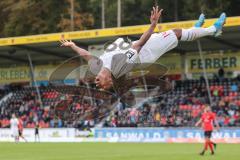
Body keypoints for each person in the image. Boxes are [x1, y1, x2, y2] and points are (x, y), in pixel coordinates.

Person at [60, 6, 226, 91]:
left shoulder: (97, 67)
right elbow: (139, 44)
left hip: (140, 44)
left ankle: (195, 29)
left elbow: (87, 55)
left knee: (179, 34)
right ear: (110, 80)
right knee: (176, 33)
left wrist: (73, 45)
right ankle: (214, 29)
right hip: (146, 51)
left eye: (101, 86)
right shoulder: (121, 66)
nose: (100, 85)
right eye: (105, 86)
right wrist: (153, 24)